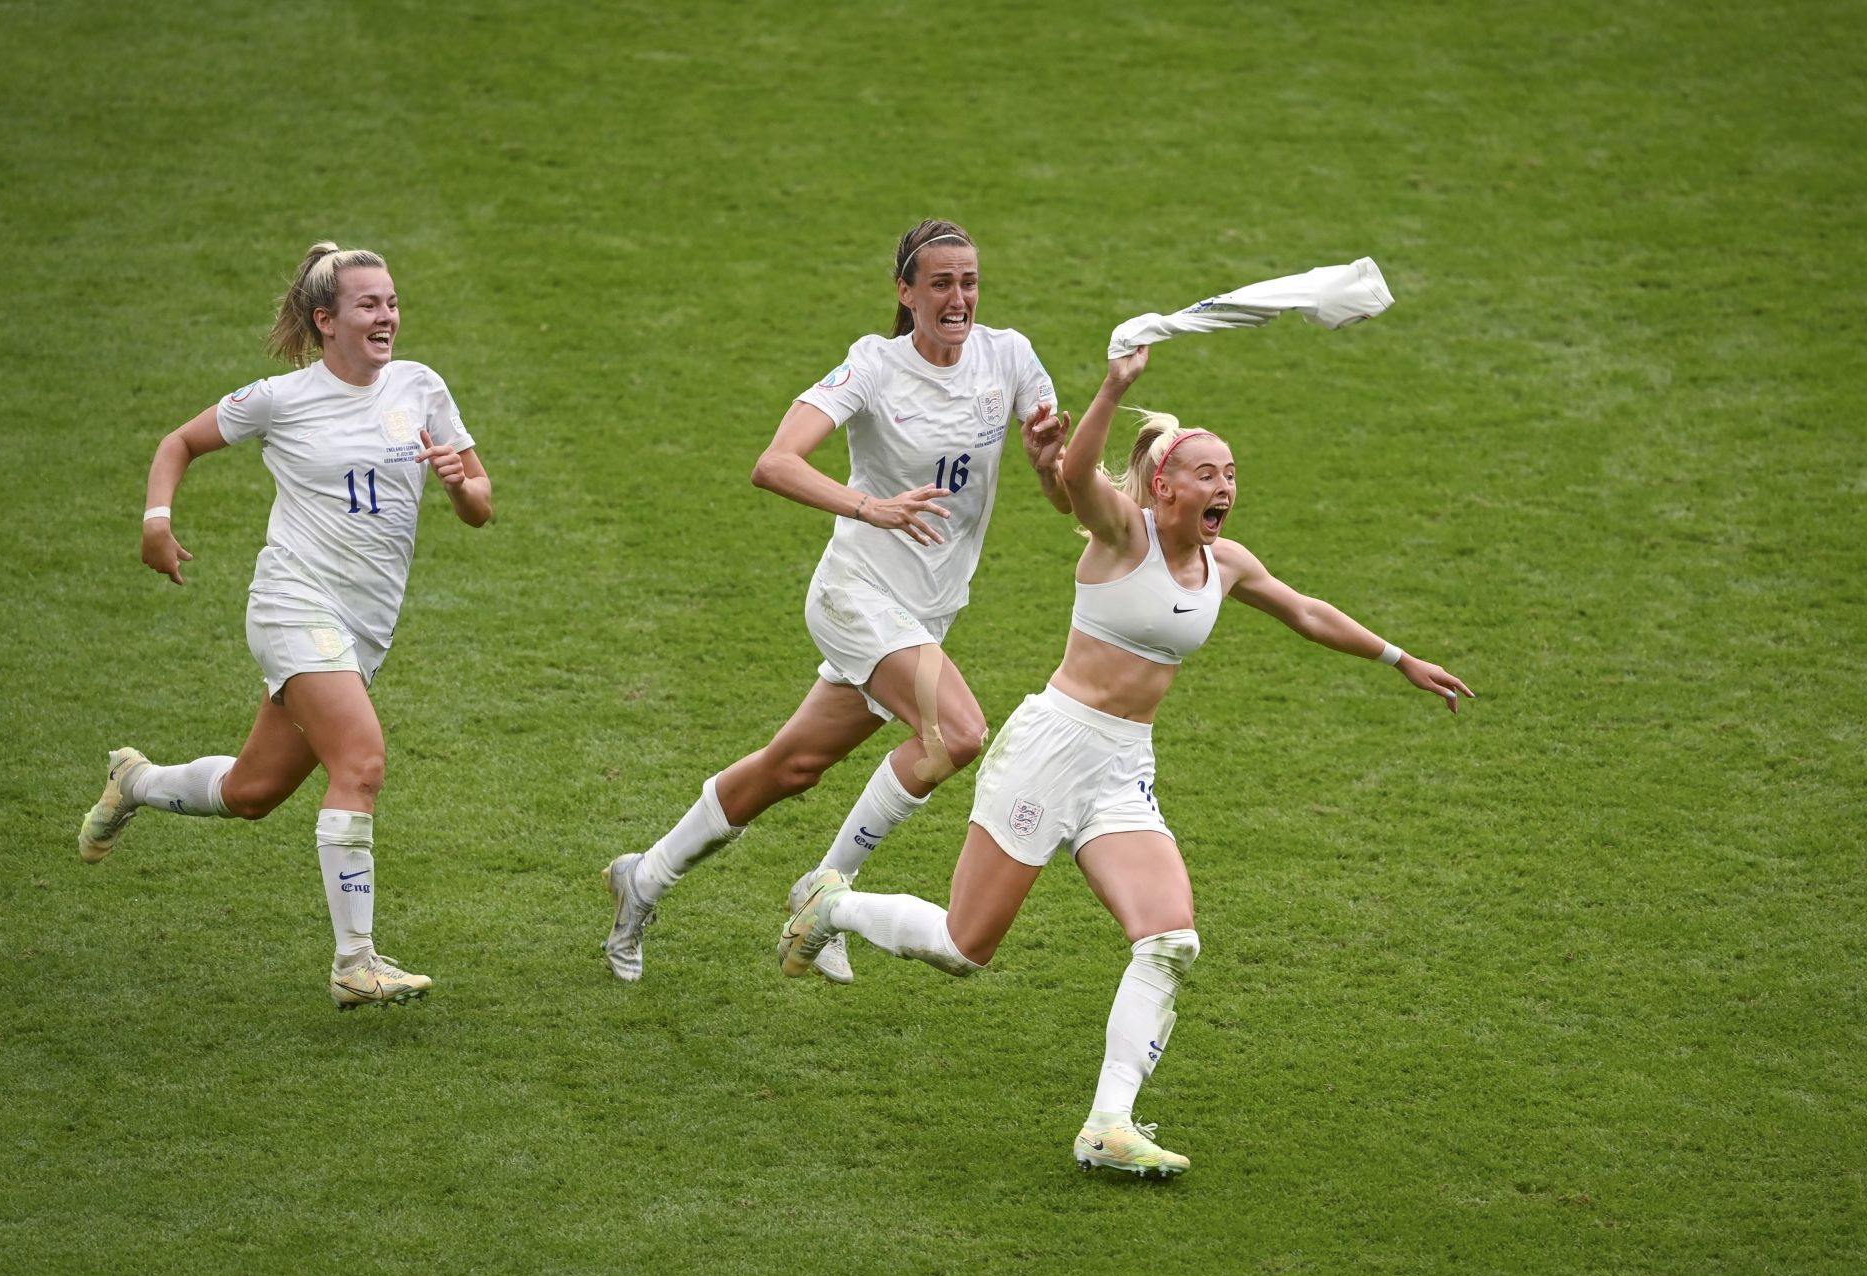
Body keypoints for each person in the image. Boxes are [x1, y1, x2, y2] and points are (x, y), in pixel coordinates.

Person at [779, 344, 1474, 1177]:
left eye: (1232, 472)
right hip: (1048, 749)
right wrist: (1114, 384)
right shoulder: (1119, 534)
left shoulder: (1227, 563)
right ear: (1165, 487)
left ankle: (1108, 1123)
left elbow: (1305, 611)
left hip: (1121, 765)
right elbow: (1075, 473)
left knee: (1170, 939)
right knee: (966, 948)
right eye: (1208, 472)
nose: (1225, 487)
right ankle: (833, 905)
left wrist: (1399, 657)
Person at [602, 218, 1070, 984]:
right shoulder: (874, 367)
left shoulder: (1009, 356)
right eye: (942, 283)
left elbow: (1061, 496)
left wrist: (1050, 464)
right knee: (956, 731)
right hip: (856, 595)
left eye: (970, 281)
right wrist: (867, 507)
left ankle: (642, 880)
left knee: (794, 765)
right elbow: (774, 462)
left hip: (924, 612)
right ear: (906, 292)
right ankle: (823, 895)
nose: (959, 298)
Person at [76, 241, 493, 1011]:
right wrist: (155, 520)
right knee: (361, 762)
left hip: (363, 629)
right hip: (293, 606)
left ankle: (133, 780)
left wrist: (463, 484)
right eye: (370, 305)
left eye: (393, 302)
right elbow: (180, 443)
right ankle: (355, 961)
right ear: (325, 320)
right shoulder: (280, 398)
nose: (388, 316)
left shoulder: (420, 388)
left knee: (252, 791)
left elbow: (480, 506)